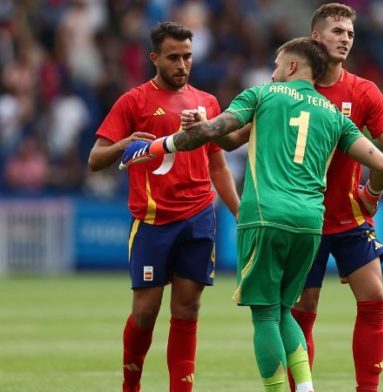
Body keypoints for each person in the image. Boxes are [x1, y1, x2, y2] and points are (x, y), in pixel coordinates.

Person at [119, 37, 383, 392]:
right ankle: (306, 387)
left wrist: (174, 138)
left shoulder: (262, 94)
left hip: (265, 216)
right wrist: (370, 196)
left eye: (277, 65)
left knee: (265, 313)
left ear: (292, 66)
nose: (274, 72)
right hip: (311, 222)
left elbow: (218, 131)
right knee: (283, 310)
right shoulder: (332, 114)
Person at [87, 21, 240, 392]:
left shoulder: (207, 103)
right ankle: (130, 385)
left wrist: (242, 213)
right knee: (145, 313)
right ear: (155, 58)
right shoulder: (133, 101)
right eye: (173, 57)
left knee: (187, 310)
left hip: (199, 217)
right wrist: (123, 145)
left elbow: (217, 163)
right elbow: (95, 159)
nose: (182, 65)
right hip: (154, 222)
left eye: (187, 56)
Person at [290, 4, 383, 391]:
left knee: (374, 296)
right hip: (304, 217)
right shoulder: (291, 89)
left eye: (350, 34)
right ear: (316, 37)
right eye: (337, 32)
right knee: (303, 309)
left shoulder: (363, 91)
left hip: (349, 215)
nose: (345, 39)